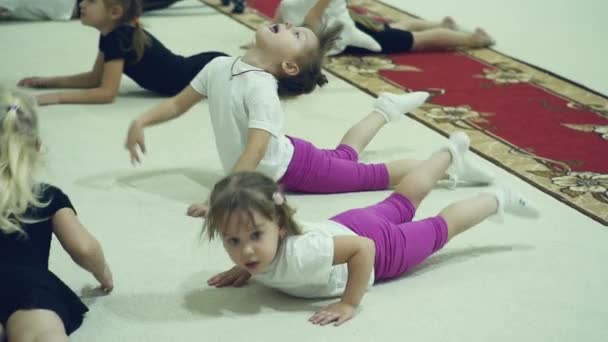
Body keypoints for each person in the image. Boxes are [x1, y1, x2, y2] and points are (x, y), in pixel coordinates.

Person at [126, 0, 493, 196]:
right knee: (344, 157)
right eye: (292, 27)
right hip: (287, 158)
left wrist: (221, 196)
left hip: (295, 168)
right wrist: (142, 121)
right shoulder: (219, 65)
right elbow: (178, 103)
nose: (287, 24)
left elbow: (254, 151)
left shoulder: (260, 88)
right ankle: (385, 109)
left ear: (287, 65)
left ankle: (449, 160)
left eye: (296, 33)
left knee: (372, 175)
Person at [199, 132, 539, 326]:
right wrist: (243, 267)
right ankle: (450, 151)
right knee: (403, 201)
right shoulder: (261, 246)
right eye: (233, 241)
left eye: (255, 236)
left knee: (440, 228)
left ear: (282, 227)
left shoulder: (305, 253)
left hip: (379, 248)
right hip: (348, 223)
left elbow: (364, 248)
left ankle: (496, 198)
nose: (245, 250)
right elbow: (252, 247)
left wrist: (350, 302)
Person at [0, 88, 113, 341]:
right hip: (31, 288)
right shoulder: (45, 196)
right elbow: (84, 248)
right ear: (37, 146)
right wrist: (102, 271)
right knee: (43, 334)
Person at [17, 0, 227, 105]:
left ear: (115, 12)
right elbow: (94, 79)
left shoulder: (119, 38)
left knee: (254, 81)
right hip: (200, 71)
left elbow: (107, 93)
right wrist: (48, 81)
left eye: (91, 0)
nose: (81, 4)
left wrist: (56, 97)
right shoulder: (112, 35)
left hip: (209, 71)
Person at [277, 0, 494, 55]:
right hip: (341, 24)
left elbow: (313, 20)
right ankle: (442, 25)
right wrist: (276, 29)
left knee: (415, 40)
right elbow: (285, 8)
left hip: (341, 34)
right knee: (392, 29)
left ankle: (473, 40)